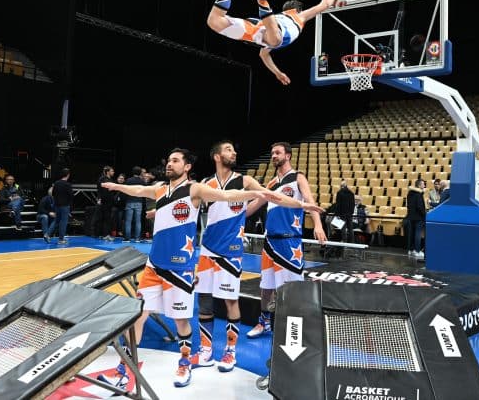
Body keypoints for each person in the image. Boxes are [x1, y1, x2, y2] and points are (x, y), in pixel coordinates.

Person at [100, 147, 287, 388]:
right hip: (157, 265)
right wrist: (118, 187)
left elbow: (228, 197)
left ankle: (188, 362)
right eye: (168, 160)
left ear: (187, 166)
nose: (169, 163)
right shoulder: (161, 188)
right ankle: (124, 370)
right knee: (139, 316)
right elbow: (138, 189)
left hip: (189, 266)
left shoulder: (198, 188)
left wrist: (264, 194)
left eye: (175, 160)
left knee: (184, 320)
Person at [193, 140, 322, 374]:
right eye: (229, 149)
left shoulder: (247, 181)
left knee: (234, 301)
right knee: (205, 301)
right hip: (209, 248)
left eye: (277, 152)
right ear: (217, 156)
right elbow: (191, 209)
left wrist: (308, 208)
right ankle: (206, 348)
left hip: (234, 251)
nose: (235, 151)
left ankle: (232, 350)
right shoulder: (205, 184)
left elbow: (274, 197)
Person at [206, 0, 344, 85]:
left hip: (258, 30)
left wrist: (277, 73)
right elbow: (325, 4)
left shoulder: (279, 16)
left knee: (214, 21)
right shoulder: (300, 16)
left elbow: (263, 55)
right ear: (297, 9)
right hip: (270, 31)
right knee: (275, 40)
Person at [244, 141, 327, 338]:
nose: (273, 156)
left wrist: (318, 224)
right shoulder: (271, 184)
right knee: (266, 287)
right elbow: (253, 206)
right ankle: (264, 323)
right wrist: (230, 215)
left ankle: (294, 325)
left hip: (289, 241)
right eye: (272, 153)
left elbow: (309, 202)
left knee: (291, 288)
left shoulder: (298, 177)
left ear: (287, 155)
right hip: (269, 242)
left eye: (277, 153)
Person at [404, 178, 427, 259]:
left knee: (412, 233)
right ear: (419, 185)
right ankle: (417, 251)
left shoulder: (409, 194)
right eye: (423, 184)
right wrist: (425, 215)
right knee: (418, 234)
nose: (424, 185)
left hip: (410, 216)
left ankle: (411, 250)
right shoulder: (419, 194)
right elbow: (420, 207)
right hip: (418, 217)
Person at [50, 168, 73, 244]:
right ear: (68, 175)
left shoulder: (56, 183)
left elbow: (53, 194)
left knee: (56, 221)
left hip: (57, 205)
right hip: (65, 206)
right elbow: (71, 196)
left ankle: (47, 234)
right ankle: (61, 239)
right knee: (63, 222)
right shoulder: (67, 184)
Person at [123, 166, 144, 242]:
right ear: (140, 173)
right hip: (139, 202)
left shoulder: (128, 180)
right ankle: (137, 238)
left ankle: (127, 238)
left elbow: (124, 190)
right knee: (138, 221)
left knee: (128, 221)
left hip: (129, 201)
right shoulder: (142, 181)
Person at [96, 166, 115, 239]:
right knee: (104, 218)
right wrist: (99, 199)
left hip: (109, 201)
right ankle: (104, 234)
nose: (113, 172)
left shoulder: (110, 179)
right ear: (108, 172)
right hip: (104, 201)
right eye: (112, 171)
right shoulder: (102, 179)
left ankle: (105, 234)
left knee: (107, 218)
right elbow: (100, 190)